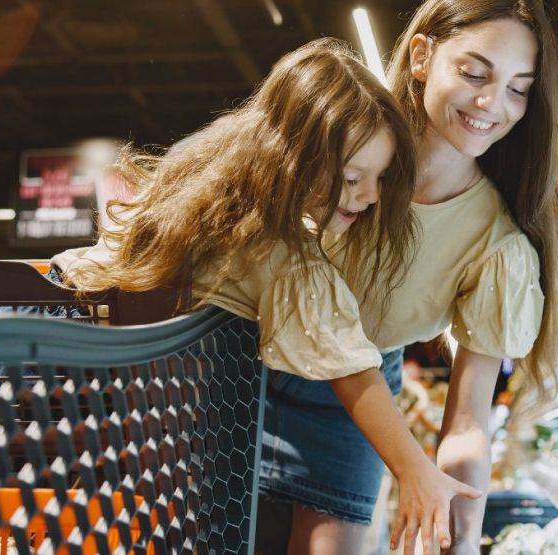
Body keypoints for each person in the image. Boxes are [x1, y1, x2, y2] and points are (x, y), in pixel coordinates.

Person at [50, 38, 481, 554]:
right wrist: (415, 468)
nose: (370, 195)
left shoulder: (205, 172)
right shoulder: (283, 254)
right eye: (351, 178)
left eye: (382, 177)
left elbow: (106, 254)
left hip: (139, 418)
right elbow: (350, 364)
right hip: (192, 432)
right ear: (293, 158)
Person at [257, 1, 558, 553]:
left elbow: (469, 423)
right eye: (474, 73)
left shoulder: (497, 246)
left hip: (356, 408)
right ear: (422, 55)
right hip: (244, 367)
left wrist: (463, 536)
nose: (491, 103)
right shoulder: (349, 136)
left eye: (519, 89)